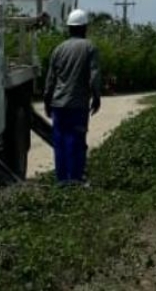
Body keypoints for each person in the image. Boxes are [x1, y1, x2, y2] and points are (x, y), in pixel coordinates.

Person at [43, 9, 102, 185]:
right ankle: (75, 179)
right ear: (84, 28)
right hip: (78, 105)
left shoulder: (58, 49)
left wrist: (47, 101)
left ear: (69, 28)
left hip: (58, 106)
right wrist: (96, 97)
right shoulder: (90, 48)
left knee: (60, 143)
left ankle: (62, 180)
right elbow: (94, 76)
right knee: (76, 142)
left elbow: (50, 79)